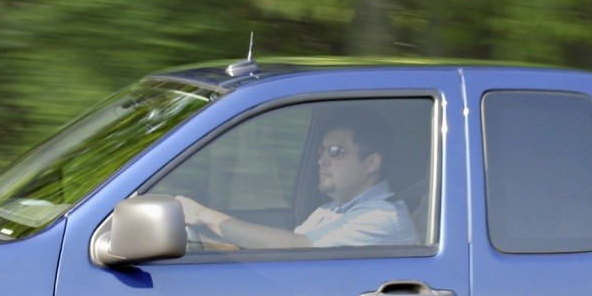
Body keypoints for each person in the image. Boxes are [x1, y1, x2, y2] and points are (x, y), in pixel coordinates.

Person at [175, 110, 417, 249]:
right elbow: (276, 254)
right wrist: (194, 246)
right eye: (321, 151)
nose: (322, 160)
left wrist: (203, 215)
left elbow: (295, 247)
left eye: (335, 152)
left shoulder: (380, 218)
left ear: (371, 163)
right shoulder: (331, 210)